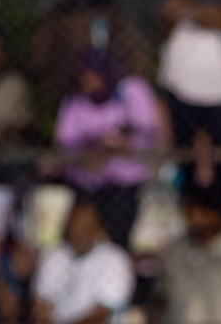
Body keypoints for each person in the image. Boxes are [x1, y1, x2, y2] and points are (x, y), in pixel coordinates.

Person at [53, 50, 166, 249]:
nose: (86, 81)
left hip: (126, 182)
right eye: (83, 76)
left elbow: (149, 130)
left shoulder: (131, 90)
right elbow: (64, 144)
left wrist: (121, 141)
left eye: (92, 76)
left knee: (119, 221)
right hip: (88, 182)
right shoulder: (75, 101)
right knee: (77, 229)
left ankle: (119, 256)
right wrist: (96, 143)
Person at [155, 182, 221, 324]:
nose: (192, 220)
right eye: (188, 212)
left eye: (201, 212)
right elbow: (162, 296)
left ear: (217, 214)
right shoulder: (175, 250)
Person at [31, 201, 134, 324]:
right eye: (73, 226)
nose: (77, 233)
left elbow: (100, 316)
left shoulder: (115, 260)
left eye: (84, 228)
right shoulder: (54, 254)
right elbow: (42, 303)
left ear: (99, 230)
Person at [157, 0, 221, 150]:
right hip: (179, 87)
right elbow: (167, 14)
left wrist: (186, 9)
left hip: (217, 90)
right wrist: (203, 13)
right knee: (183, 147)